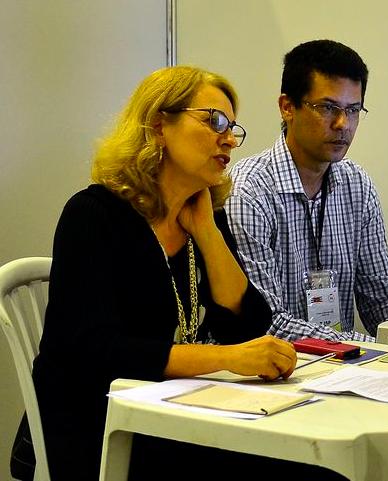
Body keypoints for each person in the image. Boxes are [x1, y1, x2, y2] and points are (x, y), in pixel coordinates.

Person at [22, 66, 337, 480]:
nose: (228, 138)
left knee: (321, 463)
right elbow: (96, 351)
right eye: (214, 121)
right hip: (98, 427)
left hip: (173, 416)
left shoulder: (200, 216)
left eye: (232, 127)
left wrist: (206, 231)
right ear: (158, 127)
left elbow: (248, 326)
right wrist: (227, 359)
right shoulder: (93, 214)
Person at [226, 39, 388, 343]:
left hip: (338, 369)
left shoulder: (356, 184)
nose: (342, 124)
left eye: (353, 110)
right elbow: (266, 323)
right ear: (287, 107)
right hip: (268, 371)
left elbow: (382, 291)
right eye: (327, 108)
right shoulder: (250, 191)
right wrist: (366, 347)